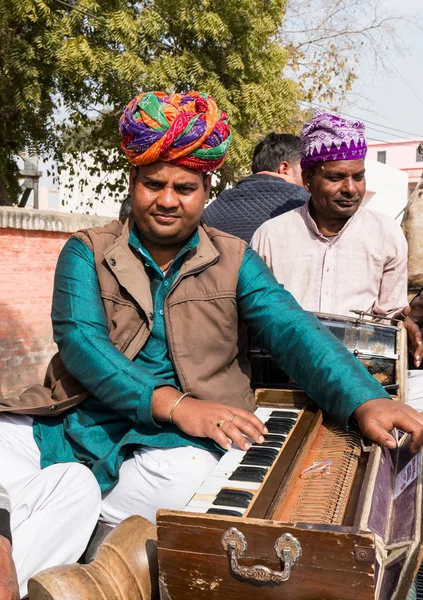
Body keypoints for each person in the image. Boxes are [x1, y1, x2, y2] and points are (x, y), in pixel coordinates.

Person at [2, 92, 423, 598]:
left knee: (186, 483)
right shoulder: (87, 250)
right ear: (132, 183)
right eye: (153, 183)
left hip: (168, 448)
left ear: (206, 191)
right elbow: (82, 345)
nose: (167, 199)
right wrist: (177, 405)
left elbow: (293, 329)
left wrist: (363, 398)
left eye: (184, 187)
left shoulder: (235, 258)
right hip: (76, 418)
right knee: (19, 445)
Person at [251, 109, 422, 367]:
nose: (351, 189)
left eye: (358, 176)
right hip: (285, 376)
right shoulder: (271, 236)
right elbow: (257, 318)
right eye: (336, 177)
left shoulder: (387, 235)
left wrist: (402, 324)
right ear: (308, 180)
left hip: (363, 378)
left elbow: (390, 319)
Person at [202, 132, 308, 242]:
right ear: (284, 168)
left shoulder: (210, 211)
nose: (308, 178)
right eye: (304, 171)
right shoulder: (306, 204)